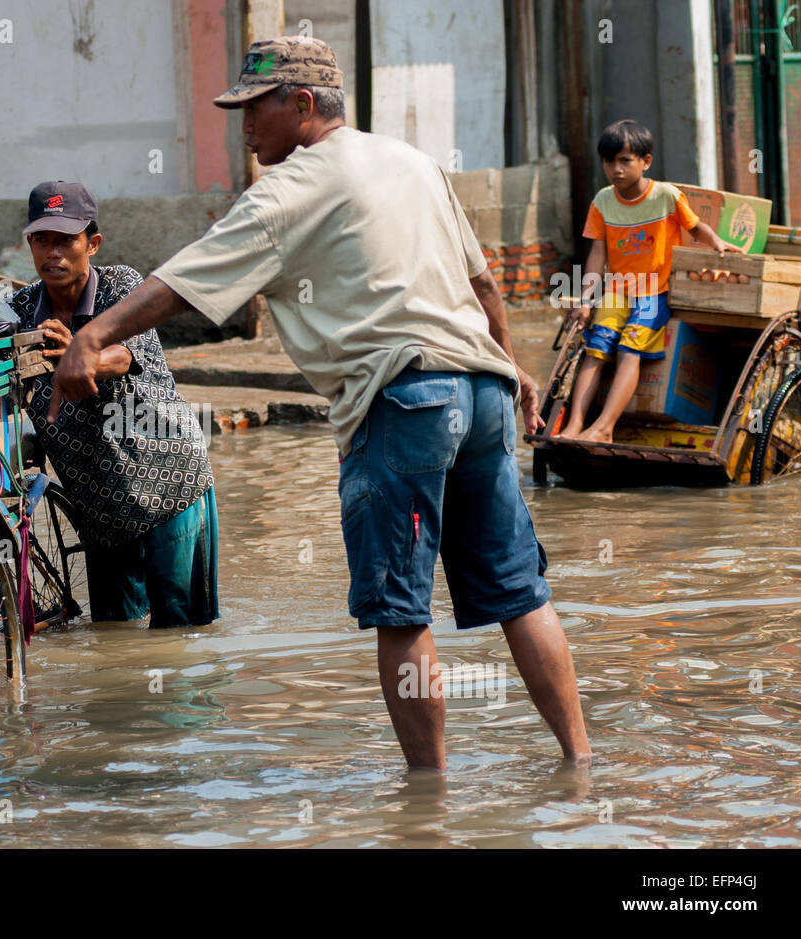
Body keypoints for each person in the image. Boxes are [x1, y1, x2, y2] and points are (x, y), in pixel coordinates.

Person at [50, 37, 591, 770]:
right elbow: (484, 285)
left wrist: (93, 335)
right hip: (483, 389)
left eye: (254, 108)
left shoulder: (291, 187)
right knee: (522, 594)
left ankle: (426, 804)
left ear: (303, 105)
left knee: (399, 611)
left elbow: (185, 278)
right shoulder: (414, 163)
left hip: (405, 402)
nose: (242, 126)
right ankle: (581, 765)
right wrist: (514, 366)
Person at [9, 181, 217, 628]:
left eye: (66, 240)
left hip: (167, 483)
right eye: (42, 240)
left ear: (93, 244)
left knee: (176, 629)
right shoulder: (20, 309)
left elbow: (126, 355)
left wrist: (80, 356)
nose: (53, 254)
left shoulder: (120, 285)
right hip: (99, 506)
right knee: (112, 633)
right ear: (29, 244)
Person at [556, 119, 740, 443]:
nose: (616, 169)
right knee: (595, 348)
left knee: (629, 349)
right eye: (609, 161)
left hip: (654, 291)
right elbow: (597, 255)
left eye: (625, 161)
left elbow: (695, 226)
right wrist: (584, 301)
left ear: (646, 162)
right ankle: (574, 426)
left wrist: (718, 243)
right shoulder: (602, 202)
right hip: (616, 291)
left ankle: (604, 428)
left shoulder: (666, 196)